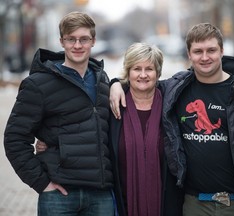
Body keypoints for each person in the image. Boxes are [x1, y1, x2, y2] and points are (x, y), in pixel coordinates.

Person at [109, 23, 234, 216]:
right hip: (193, 205)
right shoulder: (176, 90)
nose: (205, 57)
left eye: (211, 50)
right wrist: (116, 84)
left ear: (222, 51)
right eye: (198, 51)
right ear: (189, 54)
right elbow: (143, 82)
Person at [36, 42, 184, 216]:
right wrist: (50, 140)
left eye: (149, 69)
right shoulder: (112, 106)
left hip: (166, 202)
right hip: (121, 203)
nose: (143, 75)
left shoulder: (171, 103)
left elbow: (194, 74)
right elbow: (83, 128)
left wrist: (115, 83)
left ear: (158, 72)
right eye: (137, 69)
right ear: (128, 71)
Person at [4, 11, 115, 216]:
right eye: (70, 39)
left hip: (101, 194)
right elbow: (14, 138)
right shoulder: (38, 84)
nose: (77, 45)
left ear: (93, 41)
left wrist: (116, 84)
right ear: (61, 42)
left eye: (84, 39)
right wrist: (42, 183)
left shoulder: (103, 81)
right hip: (59, 196)